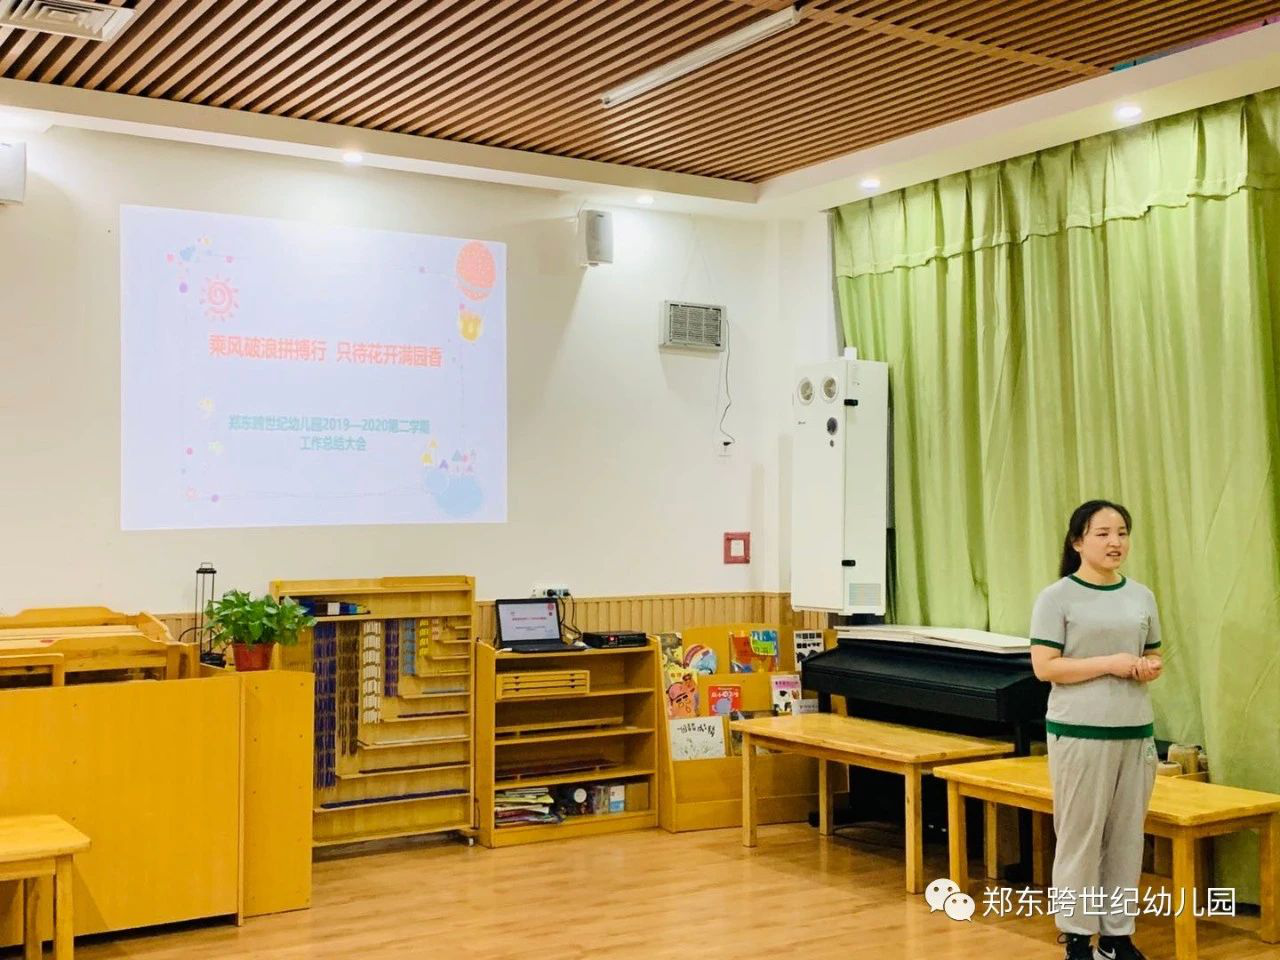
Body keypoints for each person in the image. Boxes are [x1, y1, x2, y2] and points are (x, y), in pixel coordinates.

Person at [1030, 500, 1163, 960]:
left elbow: (1154, 654)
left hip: (1134, 731)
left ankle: (1116, 936)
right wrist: (1111, 664)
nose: (1115, 542)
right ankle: (1075, 938)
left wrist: (1148, 667)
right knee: (1080, 836)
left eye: (1122, 532)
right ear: (1078, 541)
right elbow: (1045, 667)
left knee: (1127, 835)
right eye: (1103, 533)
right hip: (1079, 732)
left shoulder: (1141, 596)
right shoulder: (1057, 597)